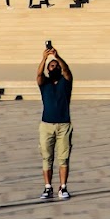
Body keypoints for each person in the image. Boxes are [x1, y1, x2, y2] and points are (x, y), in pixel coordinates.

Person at [37, 45, 74, 200]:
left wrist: (58, 57)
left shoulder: (66, 83)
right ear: (48, 69)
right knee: (47, 156)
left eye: (56, 65)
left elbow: (67, 72)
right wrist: (44, 58)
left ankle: (63, 187)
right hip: (46, 125)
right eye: (52, 66)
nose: (55, 67)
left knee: (63, 157)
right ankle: (47, 187)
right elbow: (38, 75)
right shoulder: (44, 83)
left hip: (64, 125)